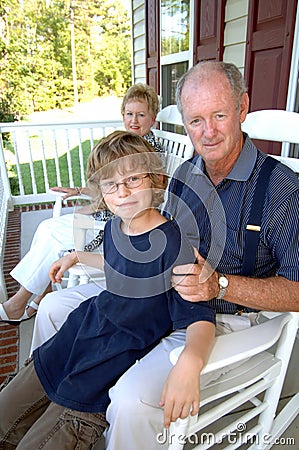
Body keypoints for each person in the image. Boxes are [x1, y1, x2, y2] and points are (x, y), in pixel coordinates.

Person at [101, 61, 298, 449]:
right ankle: (76, 416)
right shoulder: (186, 174)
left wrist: (220, 284)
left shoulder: (284, 191)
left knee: (130, 401)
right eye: (195, 121)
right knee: (61, 310)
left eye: (219, 115)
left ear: (242, 108)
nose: (208, 133)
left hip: (235, 321)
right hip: (173, 303)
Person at [0, 130, 215, 450]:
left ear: (155, 178)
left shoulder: (175, 244)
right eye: (111, 184)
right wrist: (76, 256)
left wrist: (190, 362)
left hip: (106, 363)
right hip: (77, 336)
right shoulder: (116, 226)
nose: (123, 192)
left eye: (132, 179)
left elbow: (200, 316)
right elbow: (119, 264)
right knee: (6, 411)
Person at [0, 83, 165, 324]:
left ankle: (19, 302)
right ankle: (38, 295)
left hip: (118, 225)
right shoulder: (124, 146)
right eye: (129, 114)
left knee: (52, 234)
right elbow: (110, 187)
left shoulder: (149, 151)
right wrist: (78, 191)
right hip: (105, 215)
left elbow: (135, 197)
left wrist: (98, 205)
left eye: (141, 114)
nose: (134, 120)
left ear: (153, 118)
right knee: (47, 227)